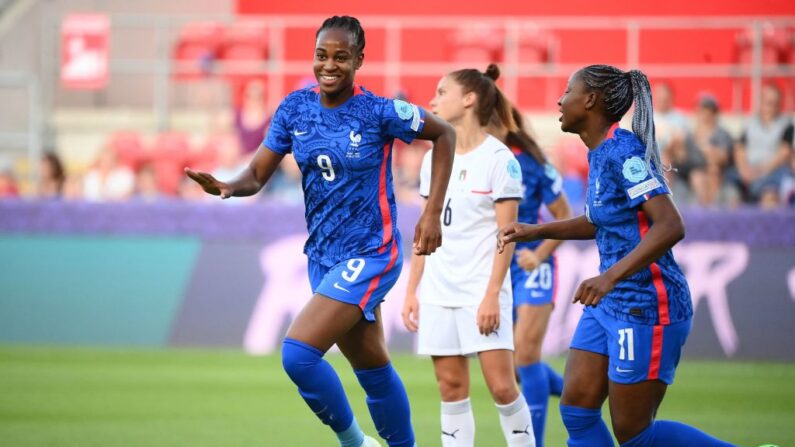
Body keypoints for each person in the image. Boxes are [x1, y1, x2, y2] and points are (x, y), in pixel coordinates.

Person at [185, 16, 455, 447]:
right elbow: (257, 173)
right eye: (321, 56)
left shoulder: (379, 112)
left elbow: (445, 134)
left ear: (359, 60)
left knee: (298, 354)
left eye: (341, 57)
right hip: (323, 256)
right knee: (372, 365)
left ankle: (355, 442)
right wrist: (228, 186)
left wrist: (430, 211)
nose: (329, 66)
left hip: (371, 251)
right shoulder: (294, 108)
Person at [498, 65, 736, 447]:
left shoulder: (623, 152)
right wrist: (536, 229)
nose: (560, 100)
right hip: (609, 304)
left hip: (646, 306)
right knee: (576, 409)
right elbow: (600, 221)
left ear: (590, 100)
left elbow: (670, 225)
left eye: (568, 90)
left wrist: (608, 277)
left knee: (634, 434)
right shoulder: (599, 151)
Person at [402, 64, 535, 447]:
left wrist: (493, 293)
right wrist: (413, 290)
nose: (432, 100)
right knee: (450, 386)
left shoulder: (499, 159)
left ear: (469, 99)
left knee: (501, 387)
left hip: (480, 290)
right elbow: (426, 230)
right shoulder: (432, 158)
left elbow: (506, 236)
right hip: (439, 289)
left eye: (442, 92)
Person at [490, 106, 571, 447]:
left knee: (525, 356)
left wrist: (538, 255)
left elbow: (565, 216)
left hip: (531, 267)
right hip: (498, 268)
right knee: (514, 365)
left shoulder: (532, 163)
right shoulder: (476, 160)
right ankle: (582, 392)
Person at [732, 84, 794, 207]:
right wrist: (744, 170)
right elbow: (739, 149)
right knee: (731, 194)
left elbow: (784, 153)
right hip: (748, 172)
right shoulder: (749, 123)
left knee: (769, 196)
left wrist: (760, 171)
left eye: (773, 103)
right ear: (761, 101)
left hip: (773, 172)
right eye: (767, 102)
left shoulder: (786, 125)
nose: (770, 106)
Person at [673, 94, 734, 207]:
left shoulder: (722, 134)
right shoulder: (689, 134)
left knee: (712, 169)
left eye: (708, 111)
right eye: (702, 111)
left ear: (714, 114)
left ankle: (710, 209)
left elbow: (723, 158)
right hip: (691, 173)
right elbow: (681, 158)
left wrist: (705, 146)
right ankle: (704, 211)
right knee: (697, 175)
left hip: (717, 174)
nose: (705, 115)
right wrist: (676, 147)